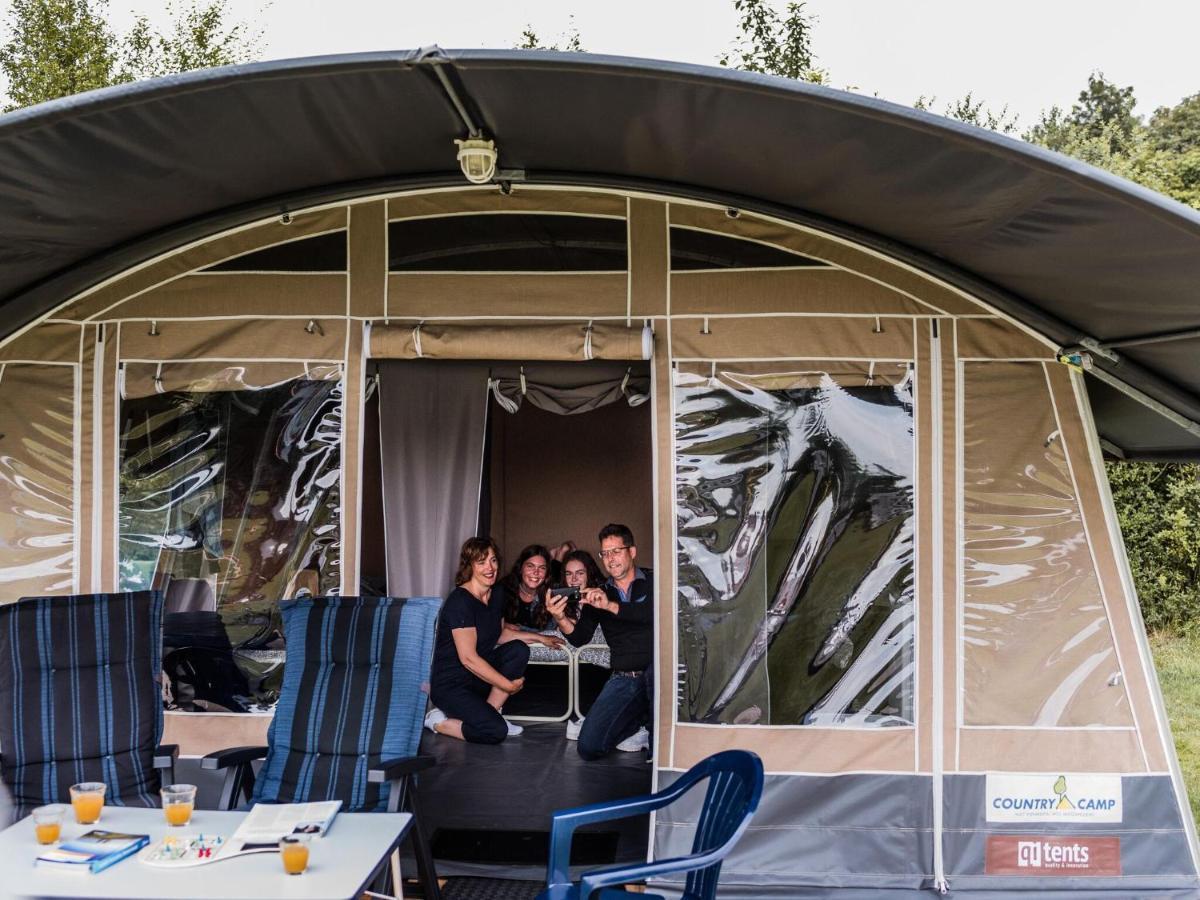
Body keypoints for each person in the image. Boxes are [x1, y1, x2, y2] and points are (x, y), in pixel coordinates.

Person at [547, 524, 653, 760]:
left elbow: (651, 614)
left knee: (655, 674)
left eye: (616, 551)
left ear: (632, 552)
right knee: (588, 746)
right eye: (605, 553)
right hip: (625, 678)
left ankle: (654, 736)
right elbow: (579, 638)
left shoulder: (655, 580)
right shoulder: (600, 592)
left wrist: (610, 606)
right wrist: (560, 617)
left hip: (657, 674)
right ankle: (638, 724)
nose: (610, 559)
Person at [425, 537, 531, 744]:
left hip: (477, 678)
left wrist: (539, 638)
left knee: (518, 650)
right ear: (470, 566)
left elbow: (499, 634)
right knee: (495, 731)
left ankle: (491, 713)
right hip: (451, 685)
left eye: (493, 560)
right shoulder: (460, 602)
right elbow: (468, 659)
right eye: (481, 562)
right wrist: (507, 686)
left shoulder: (497, 593)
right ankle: (437, 721)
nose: (489, 568)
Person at [500, 544, 567, 650]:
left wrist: (519, 629)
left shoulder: (552, 594)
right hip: (515, 656)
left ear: (546, 574)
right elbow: (497, 632)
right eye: (530, 566)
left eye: (542, 568)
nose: (536, 572)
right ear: (520, 568)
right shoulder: (503, 590)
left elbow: (553, 632)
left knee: (558, 575)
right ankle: (557, 557)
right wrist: (541, 637)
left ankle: (558, 558)